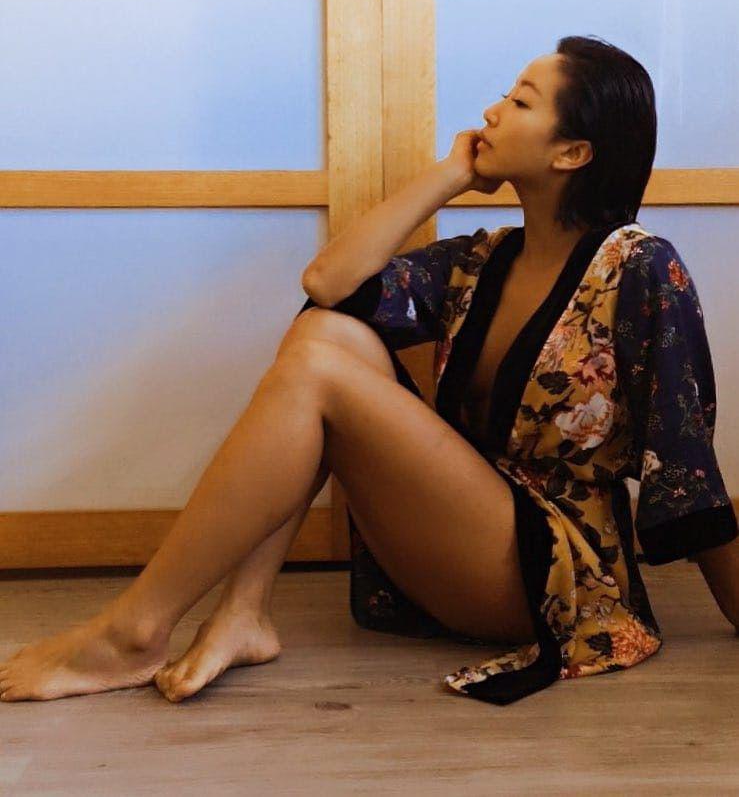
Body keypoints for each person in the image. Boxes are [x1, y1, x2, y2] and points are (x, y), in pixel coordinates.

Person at [1, 36, 737, 705]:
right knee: (325, 331)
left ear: (570, 153)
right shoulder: (482, 259)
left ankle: (134, 629)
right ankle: (243, 610)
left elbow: (683, 457)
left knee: (320, 367)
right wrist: (449, 175)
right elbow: (328, 284)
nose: (490, 112)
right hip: (461, 539)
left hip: (556, 576)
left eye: (519, 102)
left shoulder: (640, 266)